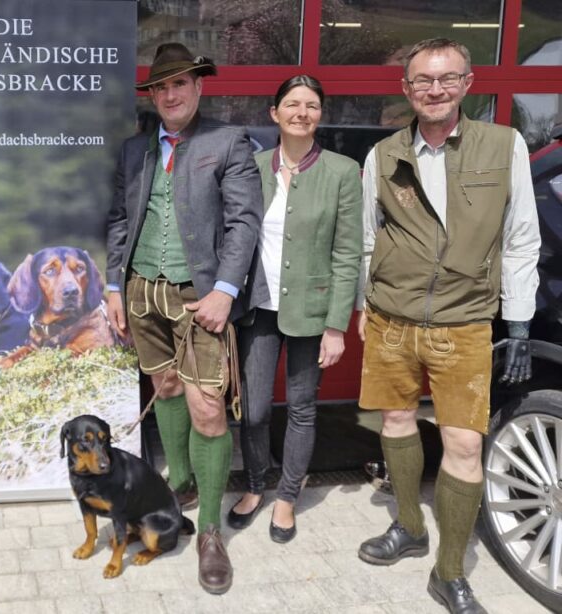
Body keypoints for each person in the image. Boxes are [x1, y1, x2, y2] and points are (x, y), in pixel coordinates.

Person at [355, 38, 540, 613]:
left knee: (463, 441)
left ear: (467, 83)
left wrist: (521, 323)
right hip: (391, 318)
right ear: (406, 89)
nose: (434, 90)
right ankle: (409, 526)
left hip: (463, 324)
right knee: (395, 422)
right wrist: (364, 308)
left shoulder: (503, 145)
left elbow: (520, 240)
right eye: (422, 81)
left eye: (446, 79)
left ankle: (450, 570)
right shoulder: (383, 155)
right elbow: (367, 239)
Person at [105, 42, 264, 594]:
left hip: (201, 299)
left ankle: (212, 532)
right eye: (160, 87)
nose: (170, 94)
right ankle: (181, 484)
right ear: (151, 96)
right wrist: (113, 286)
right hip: (143, 293)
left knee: (207, 410)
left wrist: (224, 289)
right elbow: (121, 220)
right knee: (165, 388)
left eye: (180, 84)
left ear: (198, 88)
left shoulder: (228, 141)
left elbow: (245, 222)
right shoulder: (135, 150)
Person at [227, 76, 362, 543]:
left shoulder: (343, 172)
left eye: (311, 105)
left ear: (320, 114)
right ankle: (255, 484)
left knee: (302, 408)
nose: (301, 112)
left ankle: (286, 497)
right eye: (292, 104)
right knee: (255, 409)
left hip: (312, 307)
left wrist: (336, 326)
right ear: (274, 113)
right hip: (259, 307)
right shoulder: (252, 166)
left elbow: (347, 254)